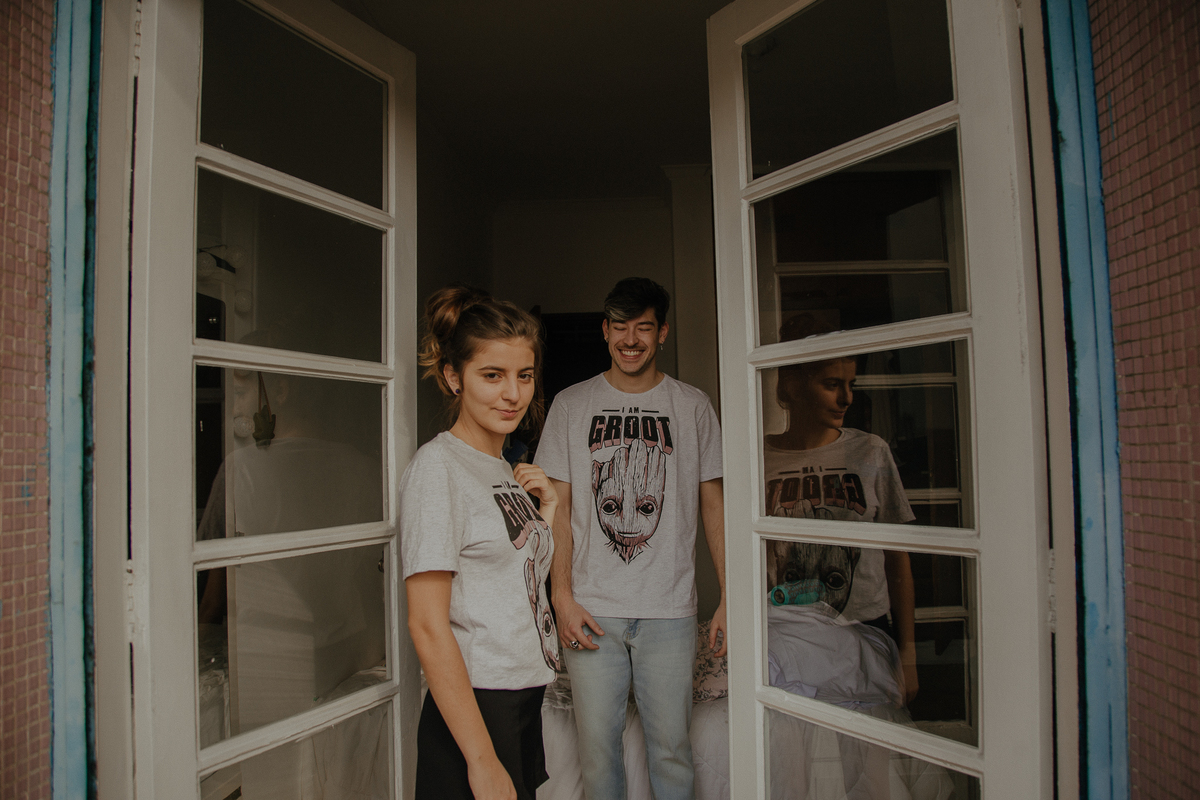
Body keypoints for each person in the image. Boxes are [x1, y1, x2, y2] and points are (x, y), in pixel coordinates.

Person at [535, 277, 727, 800]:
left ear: (662, 332)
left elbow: (714, 504)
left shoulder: (692, 406)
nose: (630, 339)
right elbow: (558, 508)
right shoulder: (572, 404)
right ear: (604, 330)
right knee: (598, 755)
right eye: (620, 327)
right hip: (592, 609)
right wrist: (561, 597)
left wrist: (730, 596)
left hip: (669, 610)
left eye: (643, 327)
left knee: (672, 752)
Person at [400, 285, 561, 800]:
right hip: (477, 707)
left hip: (519, 695)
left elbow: (514, 585)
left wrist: (547, 513)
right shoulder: (438, 469)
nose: (513, 394)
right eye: (492, 375)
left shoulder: (499, 467)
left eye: (524, 375)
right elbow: (427, 625)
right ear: (454, 377)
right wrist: (481, 759)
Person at [763, 314, 918, 704]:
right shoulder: (759, 458)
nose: (846, 398)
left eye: (851, 385)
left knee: (869, 738)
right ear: (794, 385)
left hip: (865, 628)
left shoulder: (871, 452)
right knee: (795, 737)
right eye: (832, 384)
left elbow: (898, 557)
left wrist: (909, 651)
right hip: (787, 634)